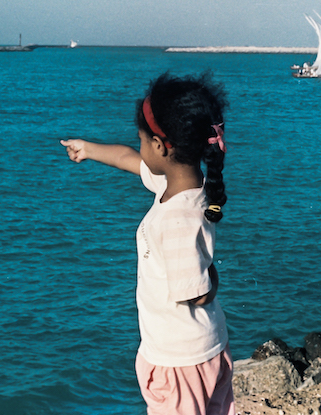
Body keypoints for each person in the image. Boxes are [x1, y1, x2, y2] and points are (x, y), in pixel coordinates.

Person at [60, 72, 234, 415]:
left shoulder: (176, 218)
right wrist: (89, 149)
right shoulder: (186, 184)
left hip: (179, 360)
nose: (138, 147)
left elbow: (194, 291)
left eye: (141, 139)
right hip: (205, 348)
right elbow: (128, 159)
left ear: (160, 146)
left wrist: (212, 278)